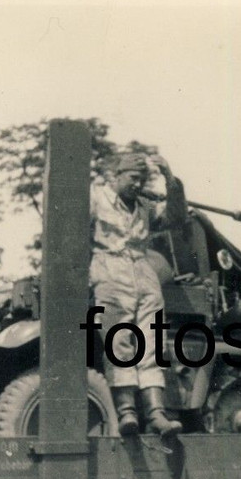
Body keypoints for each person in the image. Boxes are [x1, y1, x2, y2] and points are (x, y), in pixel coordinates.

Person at [90, 152, 182, 437]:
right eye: (133, 178)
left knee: (151, 341)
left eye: (142, 179)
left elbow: (176, 217)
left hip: (143, 272)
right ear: (115, 176)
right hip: (110, 267)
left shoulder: (144, 206)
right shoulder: (95, 199)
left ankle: (156, 413)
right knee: (119, 342)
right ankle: (127, 412)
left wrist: (170, 180)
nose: (138, 184)